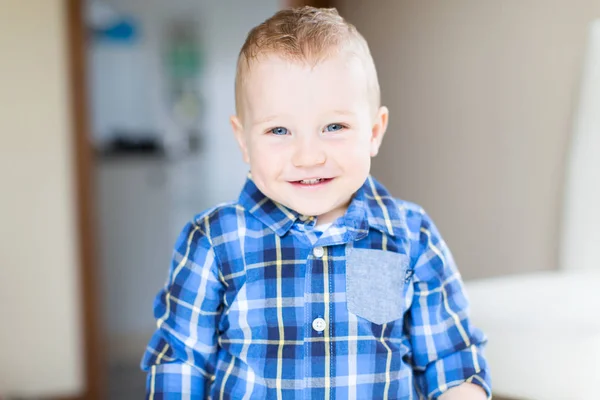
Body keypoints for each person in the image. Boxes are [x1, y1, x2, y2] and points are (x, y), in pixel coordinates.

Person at [141, 6, 491, 399]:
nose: (308, 156)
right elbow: (181, 360)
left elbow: (450, 356)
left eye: (334, 127)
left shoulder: (410, 234)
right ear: (243, 141)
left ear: (374, 132)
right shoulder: (215, 241)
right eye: (279, 130)